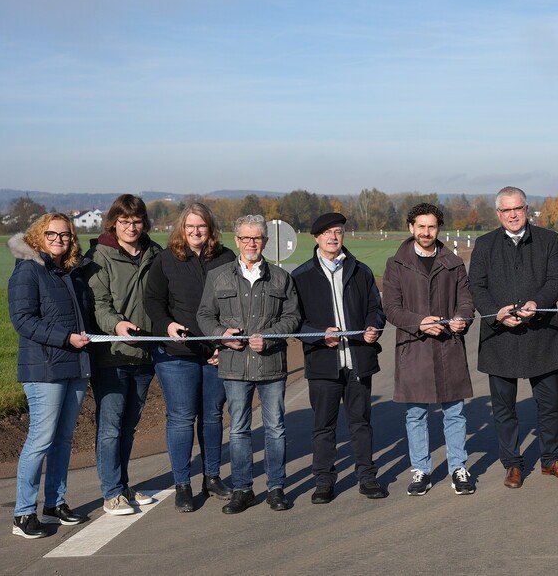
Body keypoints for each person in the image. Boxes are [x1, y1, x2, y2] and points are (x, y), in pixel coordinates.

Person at [469, 186, 558, 488]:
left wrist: (536, 305)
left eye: (518, 208)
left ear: (526, 209)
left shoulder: (548, 240)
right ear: (498, 213)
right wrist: (494, 313)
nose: (513, 215)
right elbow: (476, 285)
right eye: (506, 210)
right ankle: (512, 464)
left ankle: (551, 460)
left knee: (549, 404)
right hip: (499, 337)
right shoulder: (485, 244)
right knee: (504, 408)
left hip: (541, 335)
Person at [198, 215, 302, 513]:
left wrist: (269, 338)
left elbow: (292, 318)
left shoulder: (282, 278)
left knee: (275, 428)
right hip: (233, 365)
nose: (251, 243)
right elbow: (205, 316)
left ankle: (276, 487)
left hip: (271, 365)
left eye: (257, 238)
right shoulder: (218, 277)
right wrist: (221, 336)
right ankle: (243, 489)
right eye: (245, 238)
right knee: (239, 429)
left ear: (265, 242)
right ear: (237, 241)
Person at [144, 202, 236, 512]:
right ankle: (182, 484)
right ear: (182, 229)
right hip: (176, 354)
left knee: (212, 415)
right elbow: (153, 301)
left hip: (215, 353)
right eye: (190, 226)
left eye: (202, 226)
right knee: (182, 417)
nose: (195, 231)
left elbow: (236, 303)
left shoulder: (225, 259)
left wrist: (223, 345)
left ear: (210, 229)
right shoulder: (166, 260)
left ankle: (212, 477)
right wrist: (166, 325)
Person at [7, 213, 93, 538]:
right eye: (52, 234)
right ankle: (23, 513)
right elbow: (23, 320)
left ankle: (54, 503)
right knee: (40, 440)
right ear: (38, 236)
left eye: (65, 235)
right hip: (45, 368)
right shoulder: (28, 270)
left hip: (75, 364)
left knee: (64, 439)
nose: (59, 239)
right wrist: (66, 338)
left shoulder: (69, 273)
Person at [292, 212, 388, 503]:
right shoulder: (301, 276)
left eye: (338, 231)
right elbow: (295, 323)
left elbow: (376, 309)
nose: (333, 237)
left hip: (358, 360)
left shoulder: (361, 270)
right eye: (327, 233)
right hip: (323, 364)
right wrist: (320, 334)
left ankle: (367, 477)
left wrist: (375, 327)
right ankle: (323, 481)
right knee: (324, 426)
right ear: (317, 238)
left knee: (361, 423)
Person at [382, 203, 477, 496]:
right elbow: (391, 308)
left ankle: (458, 468)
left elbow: (466, 301)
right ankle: (421, 470)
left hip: (448, 348)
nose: (426, 232)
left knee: (455, 413)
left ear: (439, 228)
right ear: (411, 228)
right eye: (421, 226)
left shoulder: (454, 262)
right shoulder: (396, 264)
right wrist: (419, 323)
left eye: (432, 226)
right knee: (416, 415)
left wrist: (462, 319)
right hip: (414, 350)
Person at [86, 194, 162, 516]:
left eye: (137, 220)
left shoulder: (155, 253)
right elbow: (99, 304)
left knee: (129, 426)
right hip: (112, 353)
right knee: (111, 427)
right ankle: (111, 493)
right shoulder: (99, 255)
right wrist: (116, 326)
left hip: (145, 355)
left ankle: (124, 485)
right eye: (124, 221)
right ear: (114, 222)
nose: (131, 226)